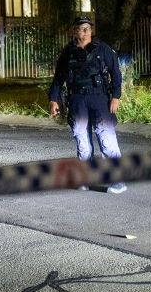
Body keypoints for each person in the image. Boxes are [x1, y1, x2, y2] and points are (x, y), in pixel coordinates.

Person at [48, 16, 127, 194]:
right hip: (77, 99)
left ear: (91, 31)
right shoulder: (67, 53)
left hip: (100, 98)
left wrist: (116, 96)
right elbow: (59, 78)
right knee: (82, 138)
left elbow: (116, 73)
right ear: (74, 31)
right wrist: (53, 99)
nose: (84, 32)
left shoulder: (103, 49)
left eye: (87, 29)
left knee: (106, 137)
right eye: (80, 28)